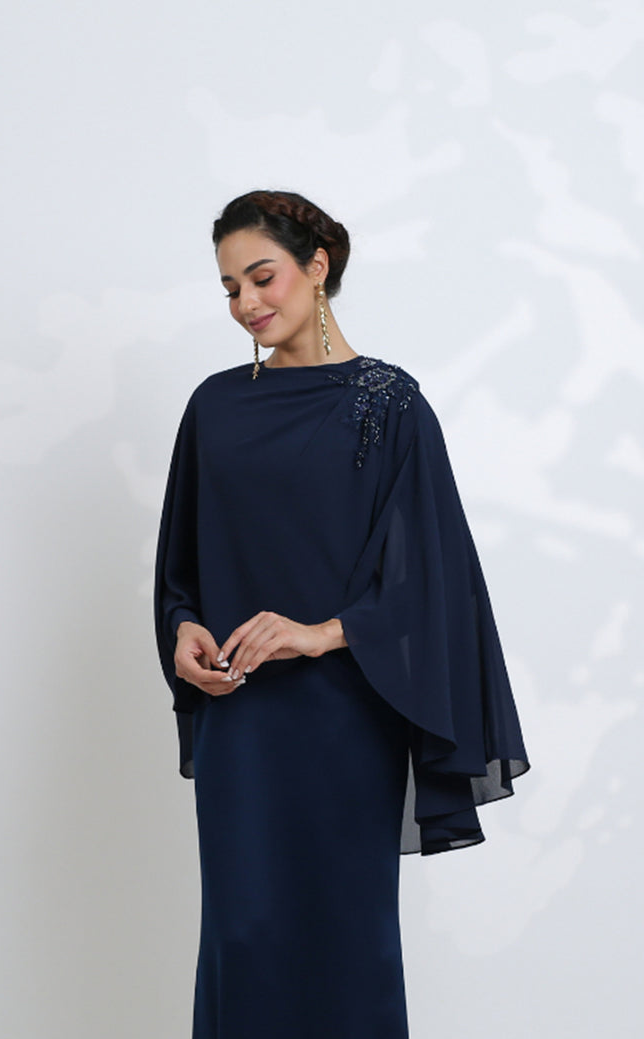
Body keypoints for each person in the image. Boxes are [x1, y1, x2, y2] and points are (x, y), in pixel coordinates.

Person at [154, 189, 529, 1039]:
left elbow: (436, 576)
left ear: (316, 266)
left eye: (262, 277)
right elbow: (181, 562)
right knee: (244, 935)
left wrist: (318, 632)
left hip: (346, 716)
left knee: (347, 939)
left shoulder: (391, 404)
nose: (247, 303)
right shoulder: (214, 406)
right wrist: (182, 628)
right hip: (240, 716)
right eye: (230, 288)